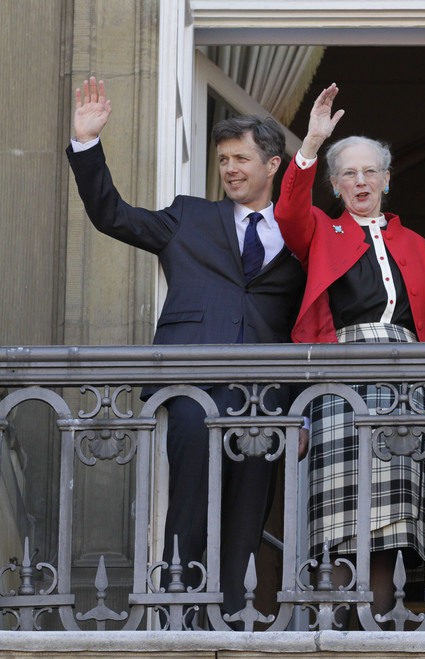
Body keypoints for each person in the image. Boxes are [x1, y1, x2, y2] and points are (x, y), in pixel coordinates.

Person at [67, 77, 305, 619]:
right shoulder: (190, 215)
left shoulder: (299, 233)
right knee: (190, 505)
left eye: (241, 158)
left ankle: (229, 618)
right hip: (192, 382)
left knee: (248, 513)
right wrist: (87, 144)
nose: (230, 169)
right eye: (223, 160)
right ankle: (179, 615)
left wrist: (303, 409)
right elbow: (113, 215)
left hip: (266, 394)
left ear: (273, 165)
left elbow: (310, 321)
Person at [274, 84, 425, 622]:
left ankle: (379, 633)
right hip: (341, 380)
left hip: (405, 384)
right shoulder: (322, 232)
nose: (361, 180)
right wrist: (312, 143)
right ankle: (339, 632)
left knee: (391, 525)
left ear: (387, 179)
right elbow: (287, 213)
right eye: (348, 173)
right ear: (335, 184)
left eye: (371, 171)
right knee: (343, 523)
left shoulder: (416, 244)